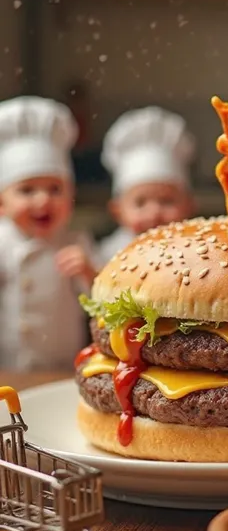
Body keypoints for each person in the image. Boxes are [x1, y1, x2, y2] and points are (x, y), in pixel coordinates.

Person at [0, 96, 97, 371]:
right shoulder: (2, 242)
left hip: (63, 366)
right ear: (1, 204)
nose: (43, 200)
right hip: (9, 366)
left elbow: (100, 302)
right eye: (27, 190)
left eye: (55, 189)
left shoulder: (76, 241)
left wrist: (89, 272)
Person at [98, 106, 195, 263]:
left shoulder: (196, 252)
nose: (154, 213)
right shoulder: (107, 255)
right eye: (140, 203)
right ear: (117, 211)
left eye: (167, 201)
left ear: (190, 205)